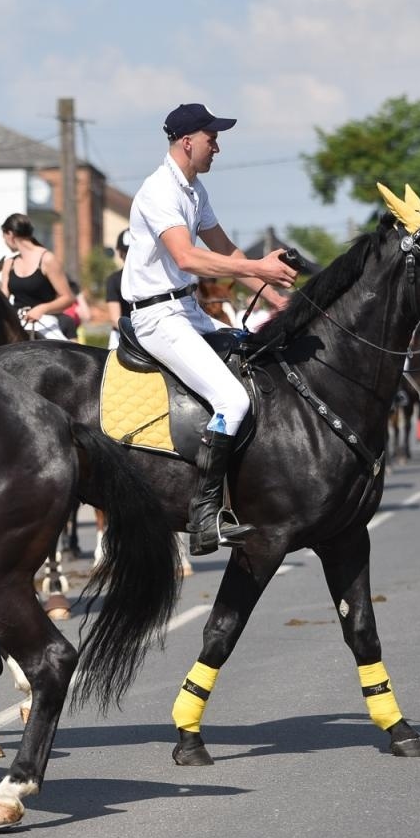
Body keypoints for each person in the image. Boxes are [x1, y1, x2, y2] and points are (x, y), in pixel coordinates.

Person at [122, 104, 296, 555]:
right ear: (187, 142)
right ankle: (203, 516)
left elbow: (227, 250)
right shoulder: (159, 190)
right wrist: (258, 265)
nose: (217, 146)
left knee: (254, 356)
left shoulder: (194, 190)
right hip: (157, 317)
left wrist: (277, 296)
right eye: (211, 137)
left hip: (187, 310)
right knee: (232, 398)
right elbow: (187, 257)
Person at [0, 213, 75, 340]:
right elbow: (3, 298)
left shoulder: (47, 259)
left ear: (10, 235)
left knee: (65, 356)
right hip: (16, 323)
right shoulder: (9, 263)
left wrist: (42, 309)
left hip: (45, 321)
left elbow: (68, 298)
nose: (5, 242)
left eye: (4, 237)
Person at [104, 228, 132, 349]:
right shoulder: (114, 280)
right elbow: (115, 317)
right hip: (122, 334)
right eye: (127, 252)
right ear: (120, 253)